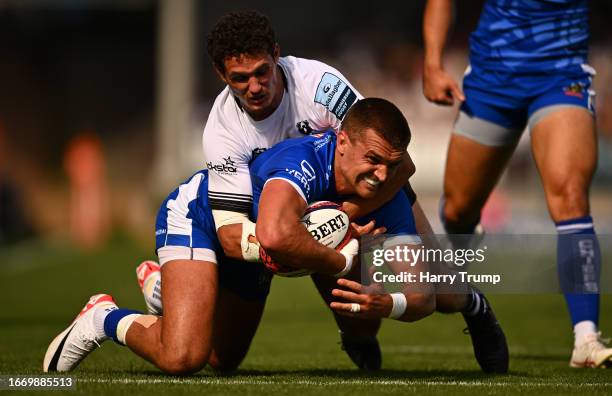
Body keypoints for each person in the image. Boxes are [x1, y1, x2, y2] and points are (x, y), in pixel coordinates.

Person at [141, 10, 506, 372]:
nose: (255, 86)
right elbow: (233, 236)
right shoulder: (221, 133)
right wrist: (292, 243)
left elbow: (392, 158)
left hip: (357, 196)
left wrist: (344, 217)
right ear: (221, 75)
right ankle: (169, 291)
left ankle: (472, 308)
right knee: (222, 359)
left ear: (277, 55)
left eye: (262, 72)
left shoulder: (320, 85)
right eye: (240, 78)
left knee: (441, 292)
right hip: (285, 218)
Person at [43, 98, 508, 375]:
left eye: (392, 165)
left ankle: (168, 289)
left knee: (224, 362)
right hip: (208, 221)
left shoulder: (385, 186)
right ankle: (103, 317)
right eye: (372, 159)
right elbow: (274, 236)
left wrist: (391, 305)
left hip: (268, 251)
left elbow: (421, 295)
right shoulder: (300, 163)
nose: (381, 175)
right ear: (342, 141)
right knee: (183, 356)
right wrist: (346, 257)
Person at [422, 0, 611, 368]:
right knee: (459, 208)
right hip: (493, 79)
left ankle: (586, 337)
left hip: (561, 76)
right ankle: (462, 234)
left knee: (571, 197)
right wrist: (431, 64)